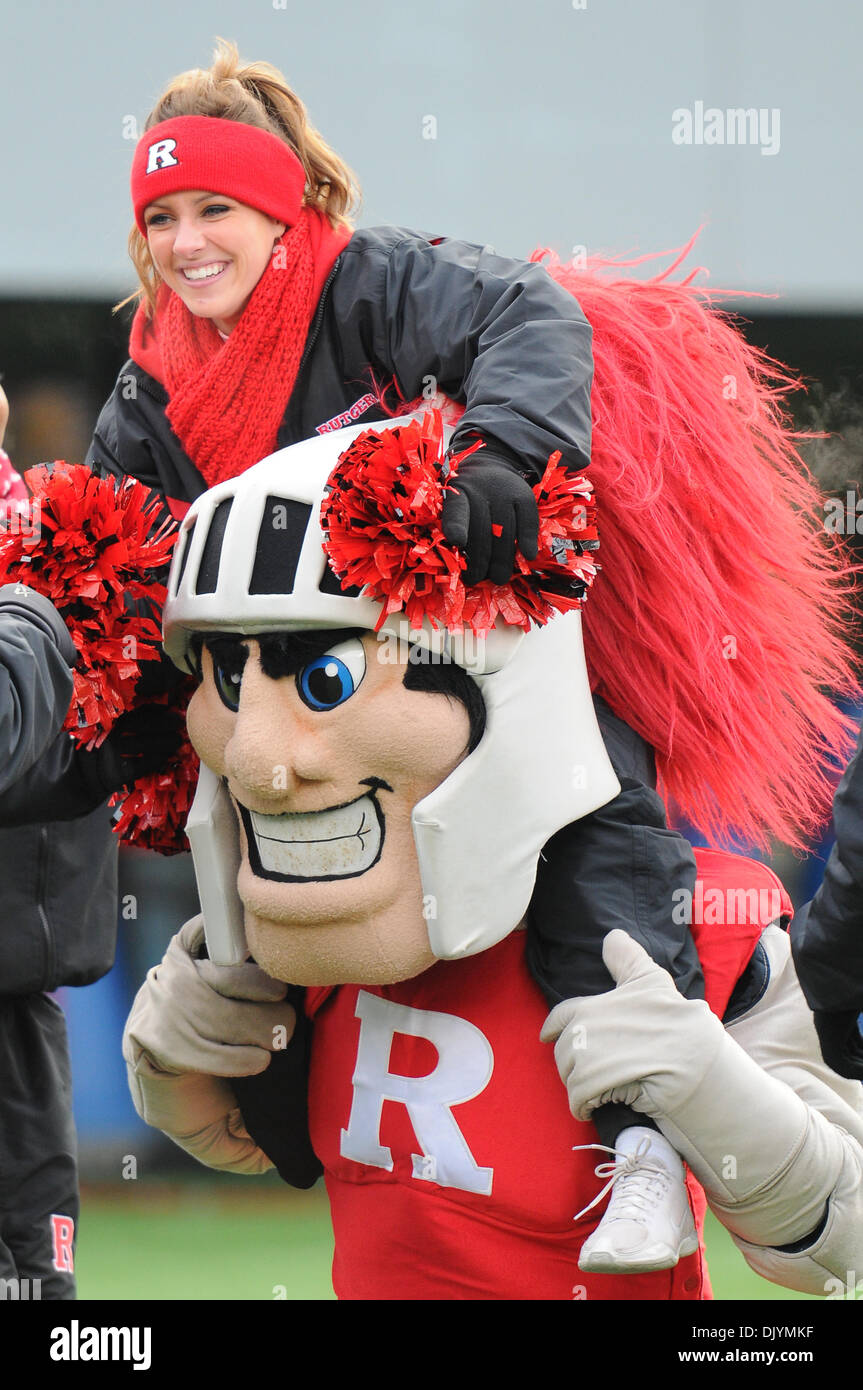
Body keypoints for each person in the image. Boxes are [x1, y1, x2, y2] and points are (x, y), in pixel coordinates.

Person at [87, 41, 854, 1274]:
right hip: (305, 726)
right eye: (161, 216)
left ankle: (644, 1137)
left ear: (283, 209)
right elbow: (125, 557)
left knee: (591, 820)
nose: (186, 241)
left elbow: (528, 314)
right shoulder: (151, 388)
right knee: (242, 861)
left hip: (471, 664)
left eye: (215, 207)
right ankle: (273, 1100)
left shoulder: (372, 284)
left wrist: (499, 451)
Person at [122, 433, 863, 1302]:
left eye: (324, 678)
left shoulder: (702, 916)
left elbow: (838, 1250)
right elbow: (243, 1143)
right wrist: (171, 1065)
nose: (257, 762)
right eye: (232, 684)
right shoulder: (326, 927)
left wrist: (711, 1088)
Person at [0, 383, 181, 1300]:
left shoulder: (35, 532)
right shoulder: (27, 585)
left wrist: (106, 751)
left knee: (37, 1278)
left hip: (18, 989)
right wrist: (36, 611)